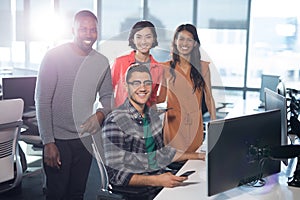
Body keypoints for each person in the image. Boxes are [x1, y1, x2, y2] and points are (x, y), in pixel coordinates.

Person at [35, 10, 113, 199]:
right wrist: (48, 143)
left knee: (77, 193)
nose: (89, 34)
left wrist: (100, 115)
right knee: (56, 193)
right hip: (58, 141)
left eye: (93, 30)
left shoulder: (101, 62)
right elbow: (42, 101)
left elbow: (108, 97)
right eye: (83, 29)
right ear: (73, 30)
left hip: (85, 139)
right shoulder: (54, 56)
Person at [102, 64, 205, 200]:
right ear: (126, 87)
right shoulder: (115, 122)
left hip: (158, 180)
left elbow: (162, 154)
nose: (143, 88)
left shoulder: (152, 116)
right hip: (139, 191)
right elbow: (116, 176)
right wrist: (158, 180)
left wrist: (198, 156)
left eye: (147, 83)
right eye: (136, 83)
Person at [158, 24, 216, 153]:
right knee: (176, 163)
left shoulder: (203, 67)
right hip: (173, 125)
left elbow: (209, 98)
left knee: (194, 164)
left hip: (194, 125)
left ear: (195, 43)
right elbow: (160, 97)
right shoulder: (165, 67)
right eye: (181, 39)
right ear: (175, 41)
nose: (185, 43)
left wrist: (215, 124)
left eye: (189, 39)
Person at [111, 20, 163, 107]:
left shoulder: (158, 68)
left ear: (154, 39)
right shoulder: (120, 63)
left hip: (144, 117)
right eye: (139, 37)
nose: (143, 42)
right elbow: (108, 92)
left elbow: (152, 98)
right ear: (133, 39)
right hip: (121, 115)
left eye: (148, 37)